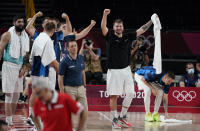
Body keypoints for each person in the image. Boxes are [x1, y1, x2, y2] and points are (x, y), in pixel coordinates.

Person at [101, 9, 153, 128]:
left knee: (130, 93)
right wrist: (105, 15)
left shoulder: (128, 36)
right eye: (116, 26)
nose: (118, 27)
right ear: (113, 27)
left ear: (123, 27)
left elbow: (142, 29)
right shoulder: (109, 36)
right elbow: (103, 27)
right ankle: (114, 120)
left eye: (120, 26)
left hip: (126, 70)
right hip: (113, 71)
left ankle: (122, 116)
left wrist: (152, 20)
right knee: (114, 96)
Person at [0, 15, 30, 126]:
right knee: (9, 94)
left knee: (17, 95)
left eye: (22, 22)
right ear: (14, 23)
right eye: (19, 22)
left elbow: (26, 55)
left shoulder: (25, 36)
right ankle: (8, 121)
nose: (21, 24)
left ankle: (10, 118)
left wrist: (24, 67)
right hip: (9, 65)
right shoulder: (7, 35)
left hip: (20, 67)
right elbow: (0, 51)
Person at [28, 22, 59, 126]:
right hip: (42, 71)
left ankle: (32, 115)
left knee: (35, 94)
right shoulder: (48, 40)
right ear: (53, 31)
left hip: (36, 69)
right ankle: (36, 117)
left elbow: (31, 58)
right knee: (41, 95)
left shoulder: (38, 38)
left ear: (44, 27)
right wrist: (62, 70)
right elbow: (52, 61)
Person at [58, 37, 91, 131]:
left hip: (80, 89)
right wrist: (62, 91)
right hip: (69, 89)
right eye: (72, 46)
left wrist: (84, 86)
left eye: (75, 46)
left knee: (84, 112)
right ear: (67, 49)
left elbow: (83, 72)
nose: (74, 48)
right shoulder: (64, 61)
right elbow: (60, 77)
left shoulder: (81, 58)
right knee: (68, 113)